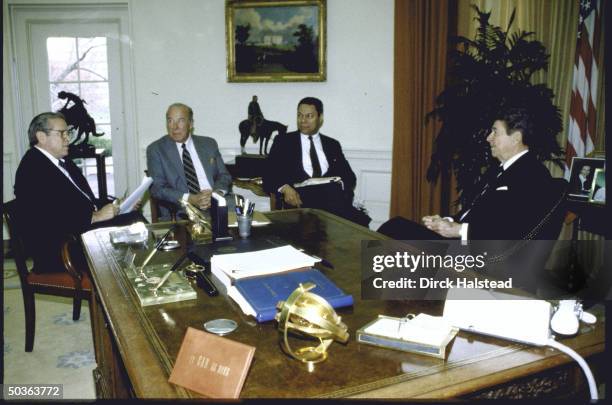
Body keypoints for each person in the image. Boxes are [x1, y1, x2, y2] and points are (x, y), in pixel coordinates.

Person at [380, 107, 556, 241]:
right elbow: (472, 213)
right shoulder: (497, 169)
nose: (488, 138)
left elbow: (512, 231)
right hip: (462, 243)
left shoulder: (533, 175)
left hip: (482, 258)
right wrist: (445, 222)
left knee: (394, 230)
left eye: (495, 131)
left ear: (516, 138)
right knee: (395, 228)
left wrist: (459, 230)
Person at [13, 112, 143, 273]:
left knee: (133, 220)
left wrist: (118, 205)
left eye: (68, 133)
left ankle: (136, 282)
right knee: (133, 228)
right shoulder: (32, 169)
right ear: (41, 137)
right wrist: (95, 216)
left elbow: (84, 201)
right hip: (59, 249)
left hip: (78, 234)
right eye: (62, 133)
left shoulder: (62, 161)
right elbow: (47, 218)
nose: (68, 138)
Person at [263, 97, 370, 226]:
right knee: (355, 220)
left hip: (332, 202)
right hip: (300, 201)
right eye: (300, 115)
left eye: (309, 116)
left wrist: (340, 186)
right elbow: (268, 175)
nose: (303, 120)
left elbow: (349, 177)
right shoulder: (283, 141)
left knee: (360, 224)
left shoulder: (332, 145)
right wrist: (285, 188)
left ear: (320, 118)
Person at [146, 102, 232, 220]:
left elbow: (224, 176)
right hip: (181, 209)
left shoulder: (208, 144)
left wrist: (215, 194)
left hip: (216, 203)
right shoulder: (156, 149)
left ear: (190, 124)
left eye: (180, 121)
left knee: (247, 223)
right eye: (170, 121)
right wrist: (190, 198)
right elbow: (157, 189)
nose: (175, 127)